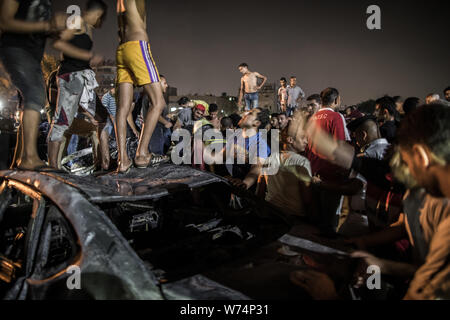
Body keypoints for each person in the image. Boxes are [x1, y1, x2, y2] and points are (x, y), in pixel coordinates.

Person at [294, 102, 450, 300]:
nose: (402, 177)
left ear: (420, 157)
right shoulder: (430, 196)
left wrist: (328, 296)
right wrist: (380, 265)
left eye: (406, 163)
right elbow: (424, 268)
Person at [0, 0, 66, 170]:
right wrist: (46, 24)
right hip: (15, 49)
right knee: (35, 94)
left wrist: (54, 30)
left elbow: (40, 28)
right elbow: (5, 21)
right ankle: (29, 157)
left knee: (31, 99)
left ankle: (22, 157)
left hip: (32, 55)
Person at [48, 0, 107, 169]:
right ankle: (53, 166)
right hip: (71, 77)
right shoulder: (77, 22)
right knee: (62, 121)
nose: (100, 23)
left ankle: (103, 163)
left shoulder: (87, 27)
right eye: (101, 19)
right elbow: (59, 44)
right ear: (98, 15)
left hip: (83, 79)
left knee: (102, 117)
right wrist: (87, 55)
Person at [115, 0, 167, 172]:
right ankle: (142, 153)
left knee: (123, 108)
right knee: (158, 102)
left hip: (122, 50)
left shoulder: (119, 5)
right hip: (138, 48)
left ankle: (123, 161)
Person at [306, 87, 351, 233]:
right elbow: (340, 145)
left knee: (318, 213)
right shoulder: (336, 117)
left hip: (314, 169)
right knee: (330, 217)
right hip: (331, 173)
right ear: (337, 100)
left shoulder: (312, 118)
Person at [264, 121, 312, 217]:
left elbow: (262, 187)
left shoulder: (270, 158)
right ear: (290, 139)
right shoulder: (301, 162)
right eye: (303, 138)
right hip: (293, 217)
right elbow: (307, 198)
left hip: (271, 213)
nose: (306, 141)